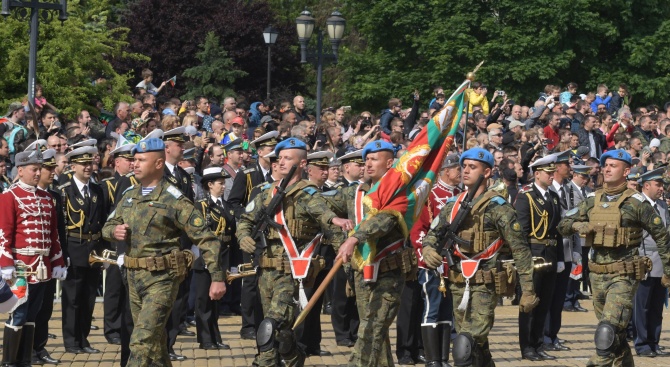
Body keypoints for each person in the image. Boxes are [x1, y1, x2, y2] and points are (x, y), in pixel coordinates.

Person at [102, 137, 226, 366]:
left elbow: (207, 239)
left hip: (162, 279)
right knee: (156, 345)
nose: (135, 164)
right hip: (133, 278)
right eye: (134, 160)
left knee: (141, 341)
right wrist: (114, 231)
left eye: (141, 160)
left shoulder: (174, 198)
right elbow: (107, 226)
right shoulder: (130, 195)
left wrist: (217, 278)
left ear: (159, 164)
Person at [235, 137, 351, 366]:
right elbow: (245, 219)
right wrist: (243, 237)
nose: (282, 162)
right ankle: (292, 356)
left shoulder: (307, 193)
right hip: (266, 273)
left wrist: (334, 219)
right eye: (280, 158)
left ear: (302, 164)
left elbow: (322, 214)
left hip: (291, 274)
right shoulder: (267, 193)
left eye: (288, 158)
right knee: (278, 334)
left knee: (270, 327)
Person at [420, 147, 539, 367]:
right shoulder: (452, 206)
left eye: (472, 167)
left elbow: (520, 250)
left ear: (487, 172)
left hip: (486, 285)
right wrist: (428, 250)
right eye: (463, 166)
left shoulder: (498, 208)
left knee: (464, 345)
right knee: (477, 346)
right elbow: (432, 236)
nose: (465, 171)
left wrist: (528, 290)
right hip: (457, 285)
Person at [558, 149, 670, 366]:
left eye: (613, 165)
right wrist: (577, 224)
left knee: (606, 332)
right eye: (605, 165)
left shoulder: (637, 203)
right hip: (597, 277)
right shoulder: (592, 200)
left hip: (624, 276)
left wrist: (667, 271)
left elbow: (662, 237)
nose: (607, 169)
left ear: (626, 171)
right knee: (614, 335)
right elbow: (562, 225)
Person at [327, 140, 415, 366]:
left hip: (387, 273)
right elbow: (321, 205)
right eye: (365, 159)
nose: (367, 164)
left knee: (370, 331)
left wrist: (355, 238)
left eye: (374, 159)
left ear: (389, 163)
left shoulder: (399, 192)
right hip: (361, 274)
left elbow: (383, 221)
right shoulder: (355, 192)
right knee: (378, 336)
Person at [0, 148, 66, 366]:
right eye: (34, 169)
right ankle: (10, 361)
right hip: (19, 267)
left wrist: (58, 261)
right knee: (18, 314)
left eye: (40, 169)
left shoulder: (47, 198)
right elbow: (3, 234)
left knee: (33, 315)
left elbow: (53, 234)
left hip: (41, 266)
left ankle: (24, 360)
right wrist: (6, 263)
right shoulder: (9, 197)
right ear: (20, 170)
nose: (38, 173)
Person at [409, 153, 462, 367]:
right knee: (432, 307)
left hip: (454, 263)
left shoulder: (461, 194)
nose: (461, 172)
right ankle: (432, 359)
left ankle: (442, 358)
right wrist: (426, 257)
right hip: (433, 262)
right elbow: (418, 230)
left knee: (447, 310)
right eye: (457, 168)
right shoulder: (430, 196)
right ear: (445, 171)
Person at [227, 131, 278, 340]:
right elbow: (233, 203)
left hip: (273, 235)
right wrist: (248, 218)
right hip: (253, 235)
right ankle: (248, 325)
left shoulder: (279, 176)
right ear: (259, 152)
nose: (273, 155)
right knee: (250, 279)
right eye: (269, 150)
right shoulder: (248, 173)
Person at [59, 143, 107, 355]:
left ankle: (83, 339)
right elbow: (61, 227)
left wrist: (105, 252)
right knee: (72, 299)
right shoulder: (64, 191)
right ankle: (71, 341)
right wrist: (63, 254)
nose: (88, 167)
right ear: (73, 166)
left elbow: (104, 222)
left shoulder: (98, 189)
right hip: (74, 248)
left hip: (93, 250)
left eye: (90, 163)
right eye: (83, 164)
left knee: (88, 299)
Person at [514, 155, 563, 361]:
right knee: (530, 304)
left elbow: (557, 230)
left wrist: (560, 257)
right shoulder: (526, 196)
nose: (552, 176)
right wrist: (523, 261)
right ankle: (527, 347)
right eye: (548, 173)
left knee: (544, 305)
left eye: (553, 172)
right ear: (537, 174)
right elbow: (521, 232)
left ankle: (538, 343)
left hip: (550, 256)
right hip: (534, 256)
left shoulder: (553, 197)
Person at [32, 148, 67, 365]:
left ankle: (39, 347)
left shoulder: (54, 196)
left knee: (45, 307)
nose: (53, 172)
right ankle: (24, 350)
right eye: (48, 168)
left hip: (48, 259)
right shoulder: (20, 194)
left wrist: (62, 257)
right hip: (27, 261)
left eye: (54, 167)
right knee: (27, 308)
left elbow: (59, 231)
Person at [193, 166, 234, 350]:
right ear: (209, 185)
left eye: (224, 183)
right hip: (205, 258)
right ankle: (205, 339)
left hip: (222, 257)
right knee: (204, 300)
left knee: (216, 301)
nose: (223, 186)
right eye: (220, 183)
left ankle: (216, 337)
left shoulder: (227, 206)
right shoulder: (201, 206)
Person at [101, 134, 136, 346]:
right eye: (128, 159)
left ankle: (124, 326)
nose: (132, 163)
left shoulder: (134, 182)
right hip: (113, 244)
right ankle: (111, 328)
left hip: (128, 244)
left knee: (127, 290)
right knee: (114, 289)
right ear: (117, 161)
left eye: (133, 159)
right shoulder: (108, 185)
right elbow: (105, 217)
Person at [631, 167, 669, 357]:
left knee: (656, 306)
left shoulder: (662, 206)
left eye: (662, 185)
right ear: (646, 185)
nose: (661, 188)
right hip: (643, 260)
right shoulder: (636, 204)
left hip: (661, 261)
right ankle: (642, 343)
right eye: (658, 184)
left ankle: (654, 342)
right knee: (642, 305)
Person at [328, 150, 363, 348]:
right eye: (358, 165)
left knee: (357, 294)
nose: (362, 168)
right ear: (347, 167)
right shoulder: (340, 190)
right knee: (341, 294)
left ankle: (354, 331)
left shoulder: (365, 189)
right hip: (341, 248)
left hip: (360, 249)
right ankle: (341, 333)